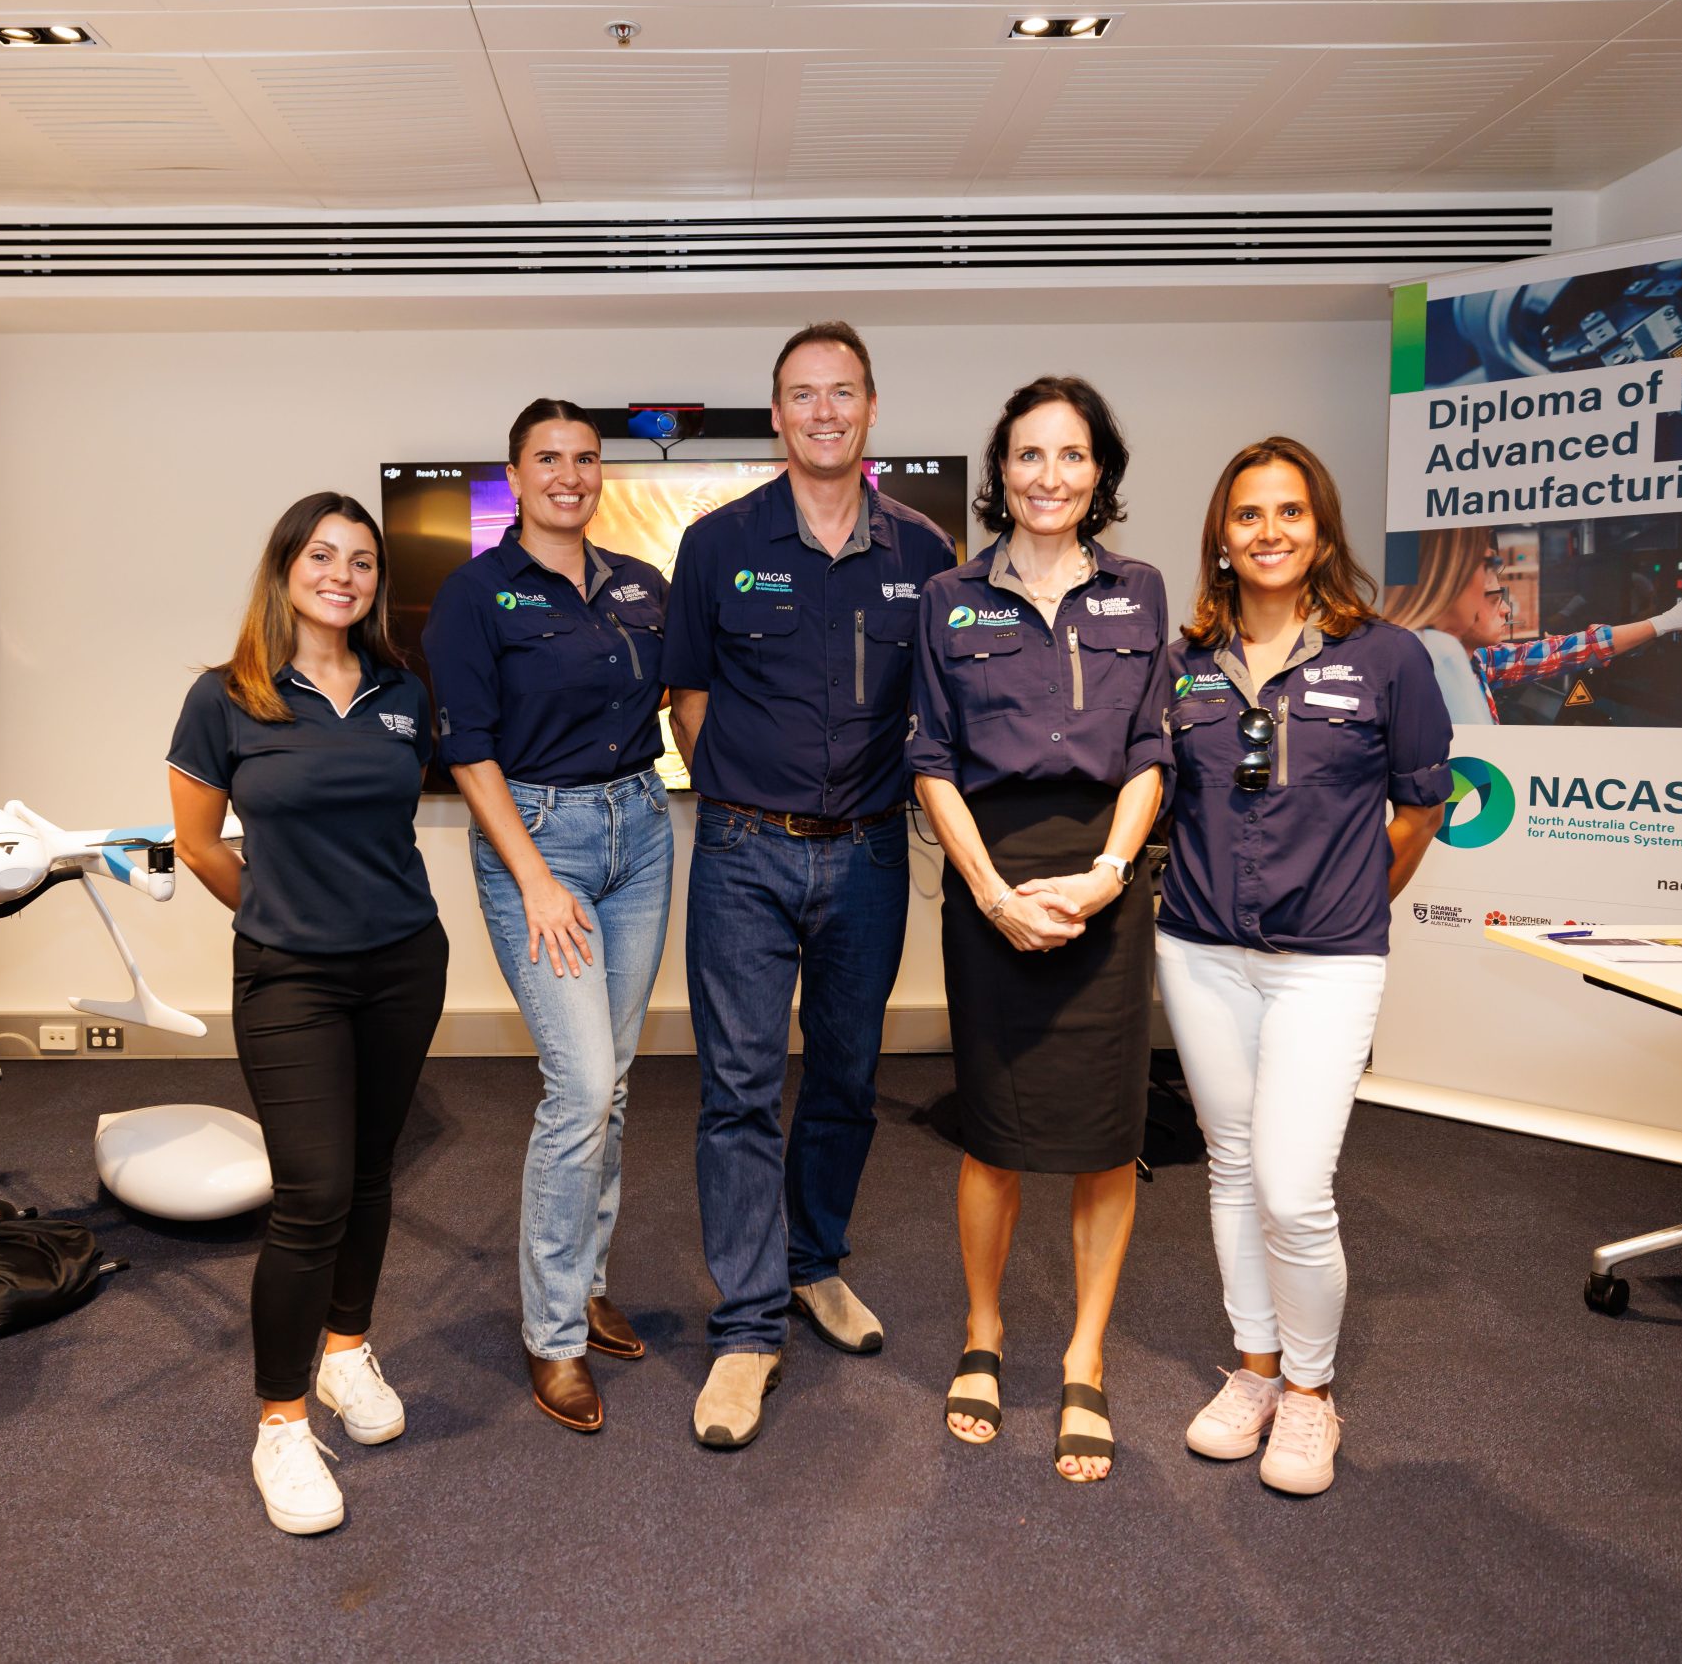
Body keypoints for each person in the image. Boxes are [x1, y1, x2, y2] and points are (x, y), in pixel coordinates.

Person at [660, 321, 958, 1449]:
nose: (823, 411)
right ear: (776, 414)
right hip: (744, 849)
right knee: (737, 1086)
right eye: (801, 394)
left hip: (873, 853)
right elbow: (685, 696)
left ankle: (811, 1263)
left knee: (844, 1075)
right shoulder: (715, 543)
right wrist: (751, 792)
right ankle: (743, 1329)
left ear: (871, 408)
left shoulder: (926, 554)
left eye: (842, 392)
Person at [1153, 437, 1451, 1498]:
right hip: (1198, 950)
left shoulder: (1387, 658)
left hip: (1326, 959)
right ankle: (1255, 1371)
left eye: (1288, 512)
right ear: (1220, 537)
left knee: (1291, 1184)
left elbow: (1422, 803)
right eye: (1247, 515)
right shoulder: (1183, 662)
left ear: (1319, 530)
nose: (1267, 532)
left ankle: (1314, 1394)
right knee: (1231, 1167)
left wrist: (1356, 895)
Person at [908, 376, 1172, 1484]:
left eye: (1070, 456)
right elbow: (928, 760)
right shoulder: (948, 596)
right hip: (992, 874)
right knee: (995, 1130)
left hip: (1107, 872)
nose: (1048, 476)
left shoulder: (1141, 590)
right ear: (999, 471)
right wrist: (990, 892)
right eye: (1027, 455)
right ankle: (983, 1332)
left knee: (1106, 1137)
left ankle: (1084, 1355)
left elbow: (1154, 749)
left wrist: (1111, 873)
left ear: (1099, 474)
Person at [168, 492, 448, 1536]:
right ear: (285, 569)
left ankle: (343, 1352)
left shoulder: (400, 692)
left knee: (370, 1170)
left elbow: (391, 826)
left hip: (404, 964)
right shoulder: (224, 696)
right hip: (290, 979)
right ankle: (279, 1424)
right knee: (312, 1193)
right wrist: (282, 915)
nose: (344, 574)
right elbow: (200, 844)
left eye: (363, 561)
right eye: (322, 555)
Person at [421, 400, 674, 1435]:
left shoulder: (639, 586)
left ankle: (584, 1283)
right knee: (576, 1090)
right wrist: (530, 877)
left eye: (584, 458)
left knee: (610, 1087)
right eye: (546, 460)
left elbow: (677, 703)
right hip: (538, 839)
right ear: (514, 477)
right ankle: (551, 1333)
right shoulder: (474, 595)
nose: (568, 475)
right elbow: (469, 750)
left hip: (641, 833)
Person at [1380, 526, 1682, 723]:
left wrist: (1664, 622)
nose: (1506, 611)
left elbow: (1569, 650)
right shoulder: (1430, 663)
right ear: (1445, 587)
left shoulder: (1477, 663)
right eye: (1491, 592)